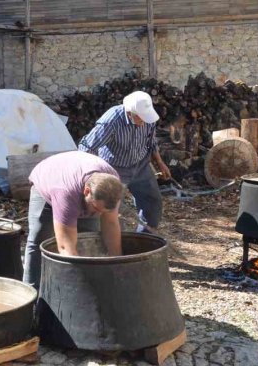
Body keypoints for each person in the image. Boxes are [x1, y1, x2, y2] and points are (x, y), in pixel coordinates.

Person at [23, 150, 125, 289]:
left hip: (78, 179)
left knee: (88, 242)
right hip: (49, 179)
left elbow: (111, 223)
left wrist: (117, 266)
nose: (99, 215)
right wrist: (82, 288)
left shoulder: (113, 186)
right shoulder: (65, 193)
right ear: (87, 192)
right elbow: (65, 248)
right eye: (97, 209)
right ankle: (32, 290)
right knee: (39, 238)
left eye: (103, 212)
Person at [78, 91, 171, 231]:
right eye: (140, 119)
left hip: (141, 165)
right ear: (129, 113)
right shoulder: (111, 121)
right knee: (111, 208)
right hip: (114, 168)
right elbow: (87, 147)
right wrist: (93, 175)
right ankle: (112, 239)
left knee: (152, 201)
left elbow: (151, 141)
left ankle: (146, 237)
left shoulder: (148, 118)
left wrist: (160, 163)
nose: (143, 123)